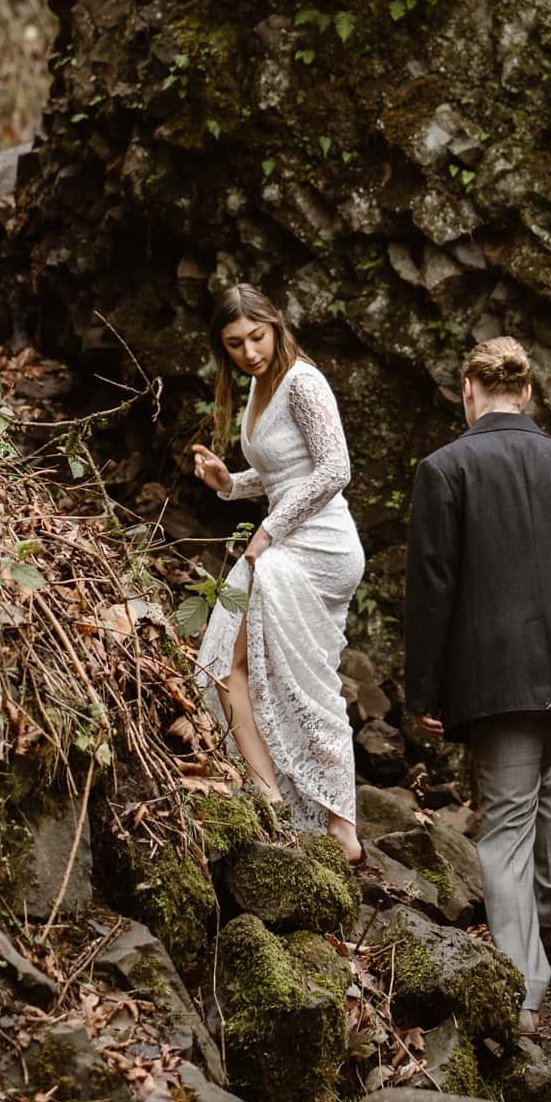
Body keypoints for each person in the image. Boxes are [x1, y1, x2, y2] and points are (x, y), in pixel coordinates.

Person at [404, 336, 551, 1034]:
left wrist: (423, 691)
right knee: (542, 782)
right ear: (529, 393)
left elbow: (432, 589)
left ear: (469, 391)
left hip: (499, 678)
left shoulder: (445, 468)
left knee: (503, 827)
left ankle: (520, 993)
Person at [190, 284, 365, 860]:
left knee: (295, 679)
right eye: (235, 344)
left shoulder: (303, 382)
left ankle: (340, 828)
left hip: (319, 547)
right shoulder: (260, 390)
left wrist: (267, 533)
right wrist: (230, 483)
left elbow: (334, 467)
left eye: (256, 337)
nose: (248, 352)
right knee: (225, 663)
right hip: (286, 540)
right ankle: (273, 800)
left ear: (276, 325)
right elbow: (284, 473)